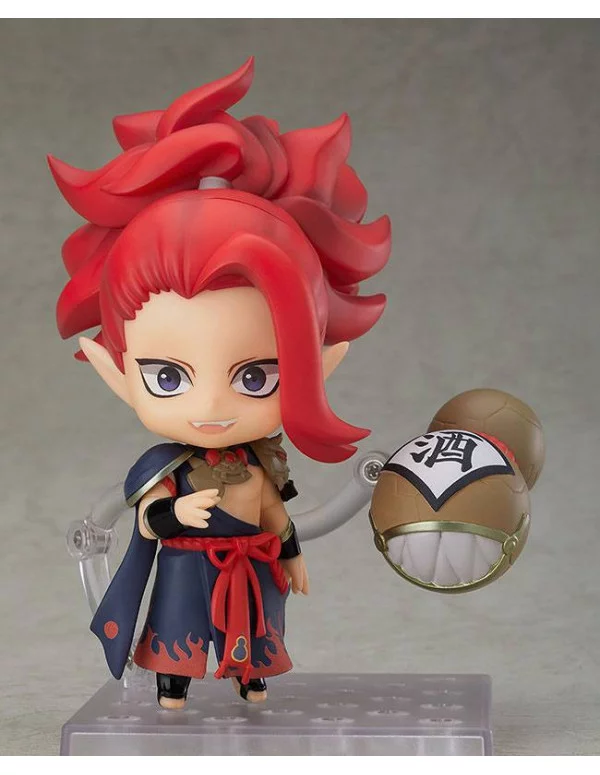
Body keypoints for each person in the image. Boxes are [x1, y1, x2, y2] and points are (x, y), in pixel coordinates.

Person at [50, 57, 391, 708]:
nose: (210, 404)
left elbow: (280, 516)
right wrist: (172, 513)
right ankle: (173, 682)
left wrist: (291, 553)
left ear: (319, 363)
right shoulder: (167, 467)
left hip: (251, 564)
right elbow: (146, 516)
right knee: (177, 630)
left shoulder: (262, 463)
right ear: (115, 371)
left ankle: (249, 676)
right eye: (168, 376)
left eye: (255, 375)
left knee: (253, 629)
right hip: (184, 565)